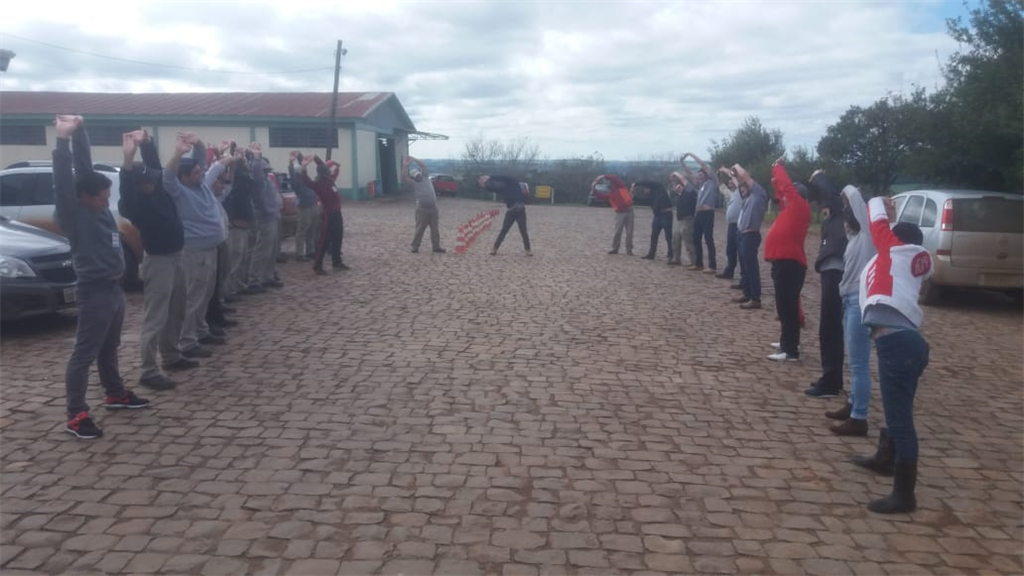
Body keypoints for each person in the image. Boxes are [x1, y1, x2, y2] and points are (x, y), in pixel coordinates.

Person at [53, 115, 150, 439]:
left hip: (114, 288)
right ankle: (76, 414)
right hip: (93, 291)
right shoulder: (72, 213)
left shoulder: (98, 208)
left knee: (110, 346)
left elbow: (84, 167)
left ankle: (115, 393)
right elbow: (64, 181)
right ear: (82, 197)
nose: (106, 201)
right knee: (84, 354)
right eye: (100, 197)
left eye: (107, 196)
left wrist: (81, 132)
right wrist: (63, 140)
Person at [852, 196, 932, 514]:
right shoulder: (909, 262)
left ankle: (904, 494)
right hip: (906, 343)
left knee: (901, 422)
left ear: (899, 242)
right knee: (898, 411)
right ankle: (885, 458)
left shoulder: (895, 251)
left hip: (897, 345)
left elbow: (877, 222)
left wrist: (878, 201)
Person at [118, 130, 197, 392]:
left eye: (154, 179)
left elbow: (153, 164)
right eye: (148, 181)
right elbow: (126, 185)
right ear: (139, 184)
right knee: (156, 317)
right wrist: (127, 160)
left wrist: (147, 142)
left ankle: (171, 355)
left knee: (177, 310)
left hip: (177, 256)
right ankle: (148, 370)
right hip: (159, 261)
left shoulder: (158, 190)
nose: (153, 182)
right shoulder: (134, 203)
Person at [163, 132, 229, 359]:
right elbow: (168, 177)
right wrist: (177, 154)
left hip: (210, 249)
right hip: (194, 252)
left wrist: (197, 142)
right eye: (196, 173)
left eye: (201, 172)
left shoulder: (202, 185)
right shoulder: (179, 192)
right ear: (183, 177)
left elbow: (200, 159)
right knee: (193, 297)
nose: (201, 174)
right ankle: (187, 341)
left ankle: (201, 330)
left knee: (206, 294)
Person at [826, 184, 878, 435]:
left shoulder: (869, 235)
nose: (846, 224)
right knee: (854, 361)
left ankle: (859, 417)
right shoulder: (856, 239)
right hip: (849, 299)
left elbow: (856, 200)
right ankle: (853, 403)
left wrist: (845, 190)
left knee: (859, 364)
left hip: (859, 301)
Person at [804, 169, 849, 400]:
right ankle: (831, 377)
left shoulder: (843, 215)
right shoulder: (835, 219)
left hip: (836, 274)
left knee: (831, 329)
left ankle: (831, 382)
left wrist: (818, 177)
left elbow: (832, 196)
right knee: (828, 329)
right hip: (831, 272)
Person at [763, 159, 810, 361]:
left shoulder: (799, 206)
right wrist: (775, 182)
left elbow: (787, 189)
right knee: (784, 307)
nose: (784, 198)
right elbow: (782, 194)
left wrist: (777, 167)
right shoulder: (792, 209)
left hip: (790, 264)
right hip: (784, 263)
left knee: (787, 307)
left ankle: (790, 350)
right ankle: (788, 341)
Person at [300, 154, 346, 273]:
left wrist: (315, 157)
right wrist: (304, 167)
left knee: (338, 237)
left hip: (337, 212)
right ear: (322, 173)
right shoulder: (319, 184)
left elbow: (322, 165)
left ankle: (337, 261)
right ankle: (317, 266)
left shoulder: (329, 180)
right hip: (328, 214)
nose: (328, 171)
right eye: (326, 171)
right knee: (324, 240)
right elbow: (306, 180)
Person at [732, 164, 768, 309]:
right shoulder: (747, 198)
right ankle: (747, 293)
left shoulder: (759, 195)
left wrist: (736, 167)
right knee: (744, 267)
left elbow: (745, 176)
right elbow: (740, 181)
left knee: (751, 267)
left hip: (750, 235)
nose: (742, 189)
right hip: (742, 234)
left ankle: (755, 298)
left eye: (744, 187)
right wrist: (734, 175)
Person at [247, 143, 283, 289]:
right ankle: (254, 280)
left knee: (272, 250)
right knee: (262, 250)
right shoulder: (258, 182)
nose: (267, 172)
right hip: (265, 218)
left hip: (274, 216)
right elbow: (256, 173)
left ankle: (268, 276)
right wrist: (256, 157)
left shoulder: (267, 180)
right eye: (265, 170)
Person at [680, 153, 719, 274]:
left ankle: (712, 265)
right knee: (696, 238)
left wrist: (691, 155)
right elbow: (690, 175)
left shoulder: (712, 181)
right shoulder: (701, 184)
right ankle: (699, 263)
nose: (699, 176)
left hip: (708, 213)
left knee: (708, 239)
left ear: (706, 174)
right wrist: (682, 163)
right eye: (699, 175)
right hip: (699, 214)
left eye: (701, 174)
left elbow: (703, 165)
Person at [481, 174, 532, 256]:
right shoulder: (504, 188)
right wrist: (485, 186)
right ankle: (495, 248)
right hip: (511, 210)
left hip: (519, 210)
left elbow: (505, 177)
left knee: (523, 231)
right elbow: (495, 189)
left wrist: (490, 177)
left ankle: (528, 250)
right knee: (504, 230)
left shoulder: (513, 183)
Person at [404, 156, 446, 253]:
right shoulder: (413, 183)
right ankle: (415, 246)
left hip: (433, 207)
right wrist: (405, 166)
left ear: (420, 173)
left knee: (435, 229)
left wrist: (413, 159)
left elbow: (423, 165)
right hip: (422, 209)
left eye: (418, 174)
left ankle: (436, 246)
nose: (418, 176)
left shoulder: (426, 177)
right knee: (420, 229)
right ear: (413, 177)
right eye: (416, 176)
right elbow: (404, 178)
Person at [289, 151, 319, 261]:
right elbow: (292, 173)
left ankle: (310, 251)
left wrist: (299, 155)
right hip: (304, 206)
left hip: (312, 204)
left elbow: (302, 164)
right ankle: (300, 253)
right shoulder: (295, 181)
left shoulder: (304, 177)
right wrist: (290, 163)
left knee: (312, 229)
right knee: (302, 230)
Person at [595, 174, 633, 255]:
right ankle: (615, 248)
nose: (610, 186)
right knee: (617, 232)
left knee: (629, 232)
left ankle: (629, 250)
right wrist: (593, 188)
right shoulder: (610, 195)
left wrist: (602, 176)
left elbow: (615, 178)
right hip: (620, 213)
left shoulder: (621, 187)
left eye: (611, 185)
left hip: (629, 211)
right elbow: (600, 196)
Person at [717, 169, 744, 279]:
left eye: (731, 182)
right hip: (731, 225)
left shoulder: (741, 191)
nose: (730, 184)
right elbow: (721, 187)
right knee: (730, 249)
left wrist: (725, 170)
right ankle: (729, 270)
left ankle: (744, 275)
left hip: (739, 224)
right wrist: (719, 176)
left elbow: (737, 179)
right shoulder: (731, 194)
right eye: (729, 183)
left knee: (741, 250)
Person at [638, 180, 673, 261]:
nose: (645, 191)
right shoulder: (651, 196)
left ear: (649, 188)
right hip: (657, 215)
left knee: (668, 236)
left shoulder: (659, 189)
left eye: (646, 189)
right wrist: (633, 195)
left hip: (666, 214)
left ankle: (671, 254)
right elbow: (642, 201)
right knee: (654, 235)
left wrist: (637, 183)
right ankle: (651, 253)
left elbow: (651, 183)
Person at [668, 171, 697, 266]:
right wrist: (673, 181)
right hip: (680, 220)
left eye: (680, 186)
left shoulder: (690, 192)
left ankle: (694, 261)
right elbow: (674, 188)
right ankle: (676, 258)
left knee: (688, 241)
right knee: (675, 240)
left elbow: (684, 180)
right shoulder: (680, 196)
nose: (678, 188)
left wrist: (676, 174)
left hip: (688, 220)